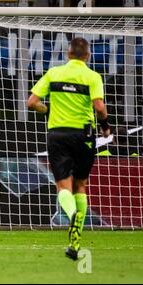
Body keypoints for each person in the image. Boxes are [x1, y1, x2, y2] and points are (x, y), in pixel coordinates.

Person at [27, 37, 111, 260]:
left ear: (67, 54)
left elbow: (32, 102)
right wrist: (105, 126)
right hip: (83, 136)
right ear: (88, 55)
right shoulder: (92, 76)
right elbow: (99, 107)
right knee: (81, 186)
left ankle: (71, 213)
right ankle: (75, 243)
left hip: (57, 134)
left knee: (63, 187)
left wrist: (48, 112)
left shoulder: (54, 74)